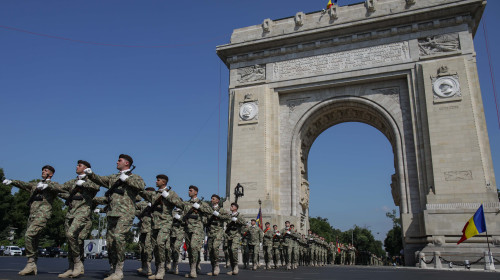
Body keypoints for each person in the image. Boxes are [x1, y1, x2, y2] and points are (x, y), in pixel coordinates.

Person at [84, 154, 145, 280]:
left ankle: (119, 270)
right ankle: (112, 268)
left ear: (127, 163)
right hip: (112, 213)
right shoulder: (113, 177)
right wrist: (91, 174)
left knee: (118, 237)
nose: (117, 162)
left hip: (126, 213)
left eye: (119, 160)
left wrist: (126, 179)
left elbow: (141, 186)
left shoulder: (134, 177)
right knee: (111, 243)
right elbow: (100, 180)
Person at [3, 165, 59, 276]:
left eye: (46, 170)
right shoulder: (36, 185)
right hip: (32, 216)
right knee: (34, 240)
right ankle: (32, 265)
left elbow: (60, 189)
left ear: (51, 174)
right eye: (42, 170)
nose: (43, 171)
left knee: (28, 235)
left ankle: (30, 262)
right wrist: (12, 181)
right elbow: (24, 184)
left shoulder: (53, 185)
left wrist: (47, 186)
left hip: (42, 215)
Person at [57, 160, 100, 278]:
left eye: (79, 165)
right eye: (77, 165)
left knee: (72, 235)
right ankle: (71, 267)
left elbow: (97, 187)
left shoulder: (91, 181)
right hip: (71, 213)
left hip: (83, 213)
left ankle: (77, 263)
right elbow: (60, 188)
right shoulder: (72, 181)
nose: (77, 166)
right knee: (71, 240)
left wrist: (84, 183)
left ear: (86, 168)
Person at [140, 174, 181, 280]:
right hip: (154, 224)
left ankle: (162, 270)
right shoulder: (154, 194)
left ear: (164, 182)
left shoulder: (171, 193)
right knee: (156, 247)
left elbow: (181, 204)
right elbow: (142, 192)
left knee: (160, 243)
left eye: (158, 180)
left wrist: (167, 196)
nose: (156, 182)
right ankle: (158, 269)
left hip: (165, 223)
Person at [179, 185, 211, 278]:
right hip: (188, 228)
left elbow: (210, 211)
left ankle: (193, 269)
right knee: (190, 249)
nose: (189, 192)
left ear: (196, 192)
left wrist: (200, 207)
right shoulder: (186, 203)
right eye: (188, 190)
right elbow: (183, 215)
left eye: (191, 190)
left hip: (197, 228)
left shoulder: (202, 203)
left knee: (193, 246)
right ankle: (195, 265)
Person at [206, 194, 230, 276]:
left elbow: (227, 217)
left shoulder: (221, 209)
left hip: (218, 231)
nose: (211, 200)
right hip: (210, 232)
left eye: (213, 199)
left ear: (217, 200)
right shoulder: (209, 209)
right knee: (210, 250)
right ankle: (213, 268)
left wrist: (218, 215)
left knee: (215, 247)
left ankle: (217, 266)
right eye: (211, 198)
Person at [135, 187, 155, 276]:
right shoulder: (142, 204)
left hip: (151, 229)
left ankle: (149, 268)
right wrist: (141, 214)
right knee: (141, 248)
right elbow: (132, 208)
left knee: (148, 248)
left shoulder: (156, 203)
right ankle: (143, 266)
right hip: (142, 228)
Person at [225, 203, 246, 275]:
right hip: (229, 235)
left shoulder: (239, 215)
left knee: (234, 249)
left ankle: (236, 266)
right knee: (230, 252)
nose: (231, 207)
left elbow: (244, 223)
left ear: (236, 208)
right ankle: (233, 268)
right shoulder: (229, 216)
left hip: (236, 235)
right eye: (230, 206)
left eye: (232, 206)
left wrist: (236, 220)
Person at [167, 206, 184, 275]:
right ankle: (170, 264)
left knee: (176, 248)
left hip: (180, 233)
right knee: (170, 249)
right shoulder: (172, 211)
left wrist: (180, 218)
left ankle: (175, 266)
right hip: (171, 233)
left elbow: (187, 221)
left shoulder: (184, 212)